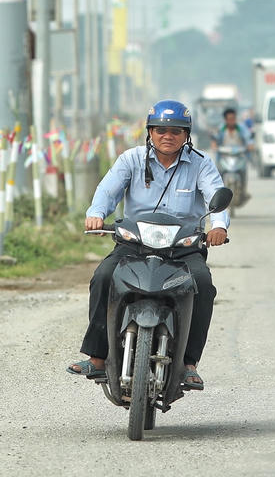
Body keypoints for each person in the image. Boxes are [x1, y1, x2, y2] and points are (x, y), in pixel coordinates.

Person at [67, 99, 228, 390]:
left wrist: (218, 225)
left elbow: (215, 194)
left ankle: (189, 364)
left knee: (203, 284)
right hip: (134, 243)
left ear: (187, 135)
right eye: (161, 130)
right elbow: (107, 189)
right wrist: (96, 213)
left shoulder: (201, 163)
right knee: (103, 277)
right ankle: (97, 356)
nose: (168, 136)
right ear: (150, 132)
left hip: (183, 246)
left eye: (176, 131)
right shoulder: (130, 160)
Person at [212, 107, 253, 204]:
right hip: (224, 157)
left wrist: (250, 145)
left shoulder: (241, 128)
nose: (232, 121)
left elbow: (249, 139)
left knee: (243, 172)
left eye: (233, 119)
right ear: (225, 120)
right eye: (229, 119)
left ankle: (243, 191)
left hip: (239, 157)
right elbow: (215, 139)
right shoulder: (221, 129)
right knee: (219, 174)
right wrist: (214, 145)